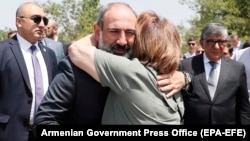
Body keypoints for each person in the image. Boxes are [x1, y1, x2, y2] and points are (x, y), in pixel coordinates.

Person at [34, 2, 186, 126]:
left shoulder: (145, 68)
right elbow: (45, 120)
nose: (122, 41)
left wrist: (184, 77)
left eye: (130, 33)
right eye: (114, 31)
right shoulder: (74, 68)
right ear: (97, 31)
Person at [0, 2, 57, 141]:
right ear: (19, 22)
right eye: (36, 19)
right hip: (10, 133)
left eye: (45, 20)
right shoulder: (2, 52)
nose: (42, 25)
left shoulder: (49, 54)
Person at [180, 22, 250, 125]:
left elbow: (243, 108)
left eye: (221, 41)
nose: (216, 46)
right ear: (202, 43)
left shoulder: (237, 69)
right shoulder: (186, 66)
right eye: (211, 41)